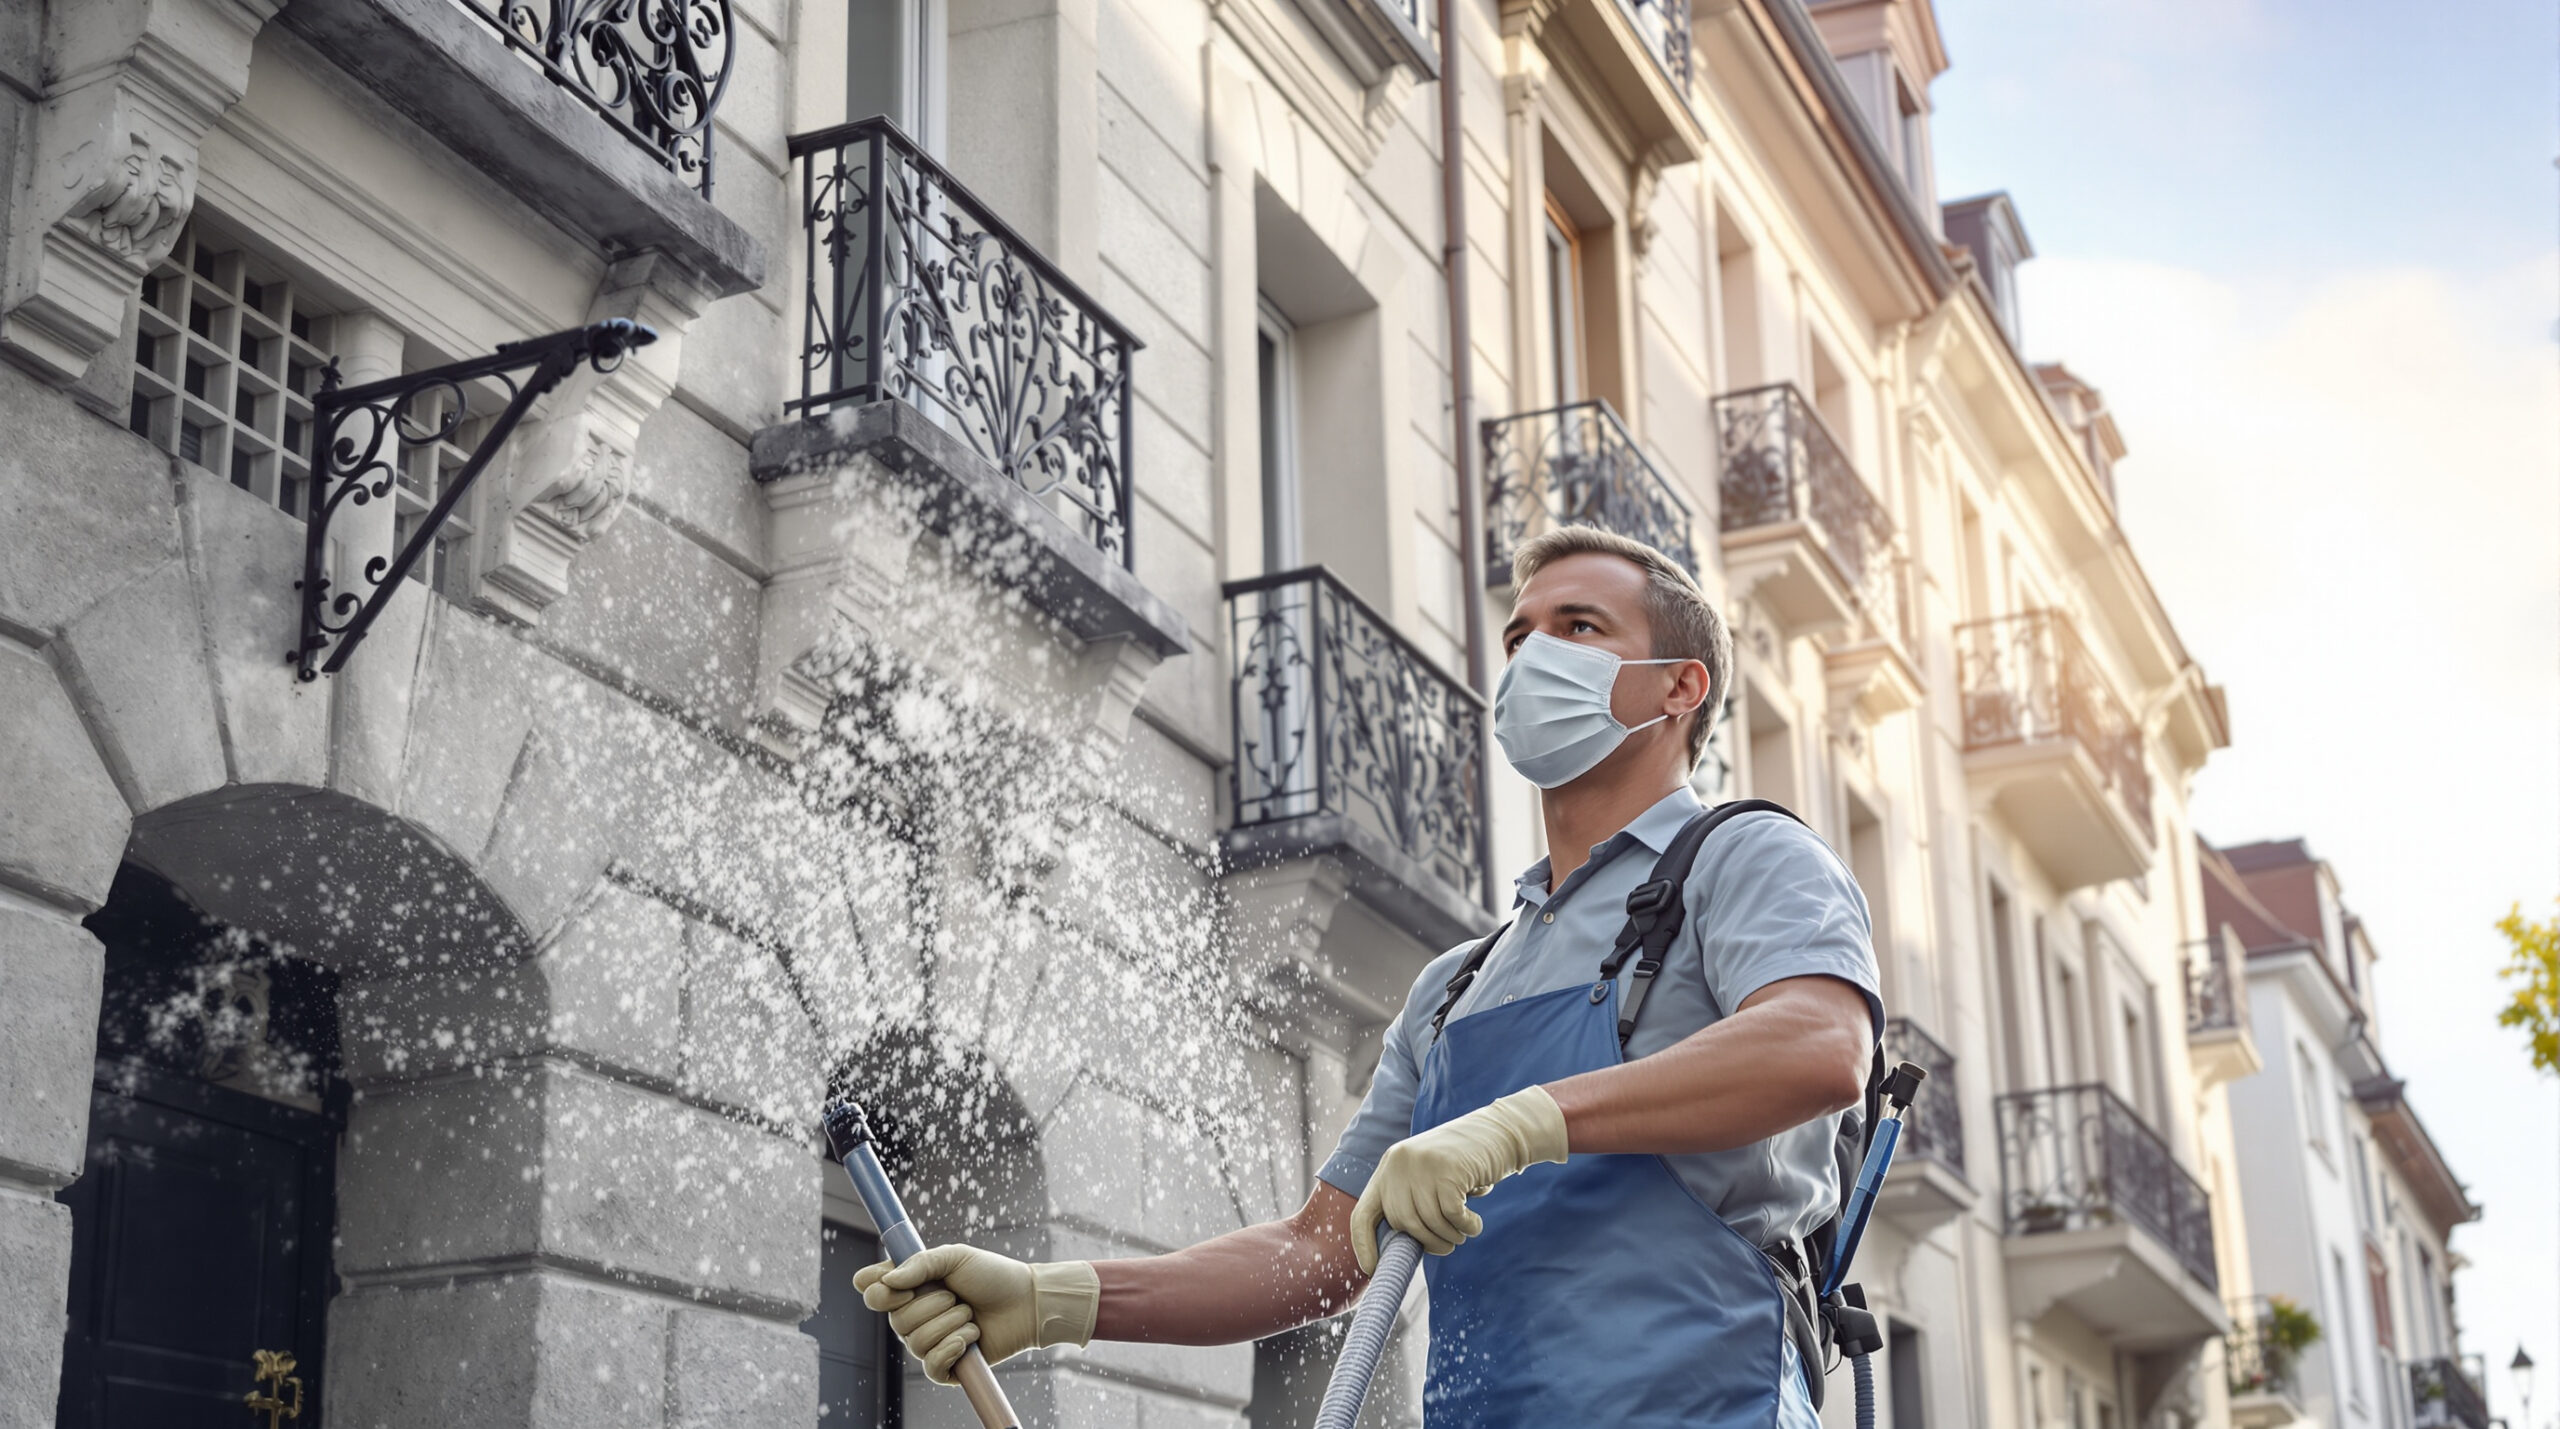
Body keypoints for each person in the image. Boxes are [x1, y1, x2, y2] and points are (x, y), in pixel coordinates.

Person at [855, 526, 1882, 1427]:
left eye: (1578, 627)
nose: (1532, 656)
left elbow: (1819, 1044)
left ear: (1680, 686)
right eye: (1518, 636)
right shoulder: (1456, 987)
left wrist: (1522, 1123)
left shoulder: (1741, 859)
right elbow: (1321, 1253)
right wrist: (1054, 1297)